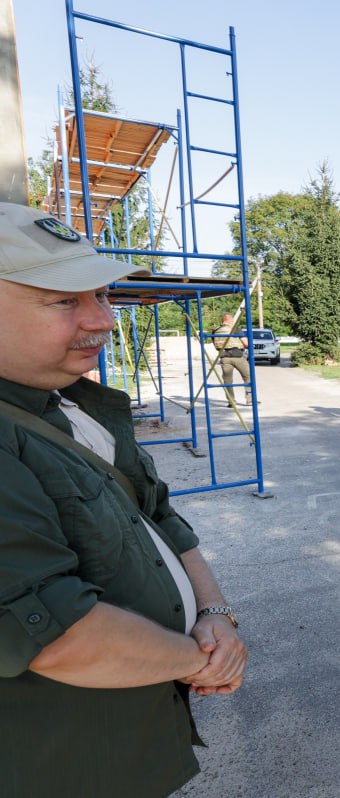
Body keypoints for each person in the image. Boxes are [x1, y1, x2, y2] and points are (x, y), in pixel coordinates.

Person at [0, 202, 248, 796]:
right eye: (64, 300)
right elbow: (57, 636)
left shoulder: (74, 402)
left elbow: (158, 515)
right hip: (63, 763)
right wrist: (201, 661)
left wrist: (215, 616)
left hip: (131, 736)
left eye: (103, 294)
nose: (104, 320)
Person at [213, 312, 253, 408]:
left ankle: (231, 402)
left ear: (222, 320)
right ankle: (249, 400)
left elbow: (216, 345)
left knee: (227, 381)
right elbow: (246, 344)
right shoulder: (235, 329)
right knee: (248, 377)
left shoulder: (215, 331)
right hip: (238, 357)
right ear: (230, 320)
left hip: (224, 358)